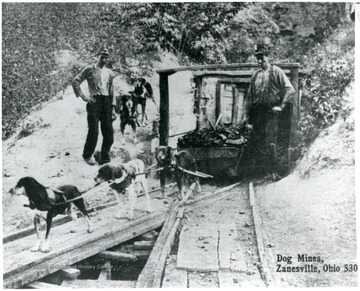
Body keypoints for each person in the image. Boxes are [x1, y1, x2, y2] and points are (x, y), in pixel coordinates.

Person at [243, 41, 295, 175]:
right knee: (260, 141)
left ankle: (277, 171)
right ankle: (263, 172)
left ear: (267, 56)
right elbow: (249, 98)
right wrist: (246, 117)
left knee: (275, 141)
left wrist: (282, 106)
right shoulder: (255, 75)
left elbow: (290, 89)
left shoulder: (276, 71)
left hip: (274, 111)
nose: (260, 60)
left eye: (262, 57)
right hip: (259, 112)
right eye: (258, 58)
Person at [72, 48, 117, 166]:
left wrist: (113, 108)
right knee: (94, 131)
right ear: (97, 56)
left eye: (106, 57)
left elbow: (112, 91)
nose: (104, 59)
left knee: (109, 133)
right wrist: (83, 96)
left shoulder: (110, 73)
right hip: (94, 102)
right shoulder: (89, 69)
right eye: (102, 57)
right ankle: (87, 154)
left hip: (106, 102)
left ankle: (105, 157)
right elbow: (75, 81)